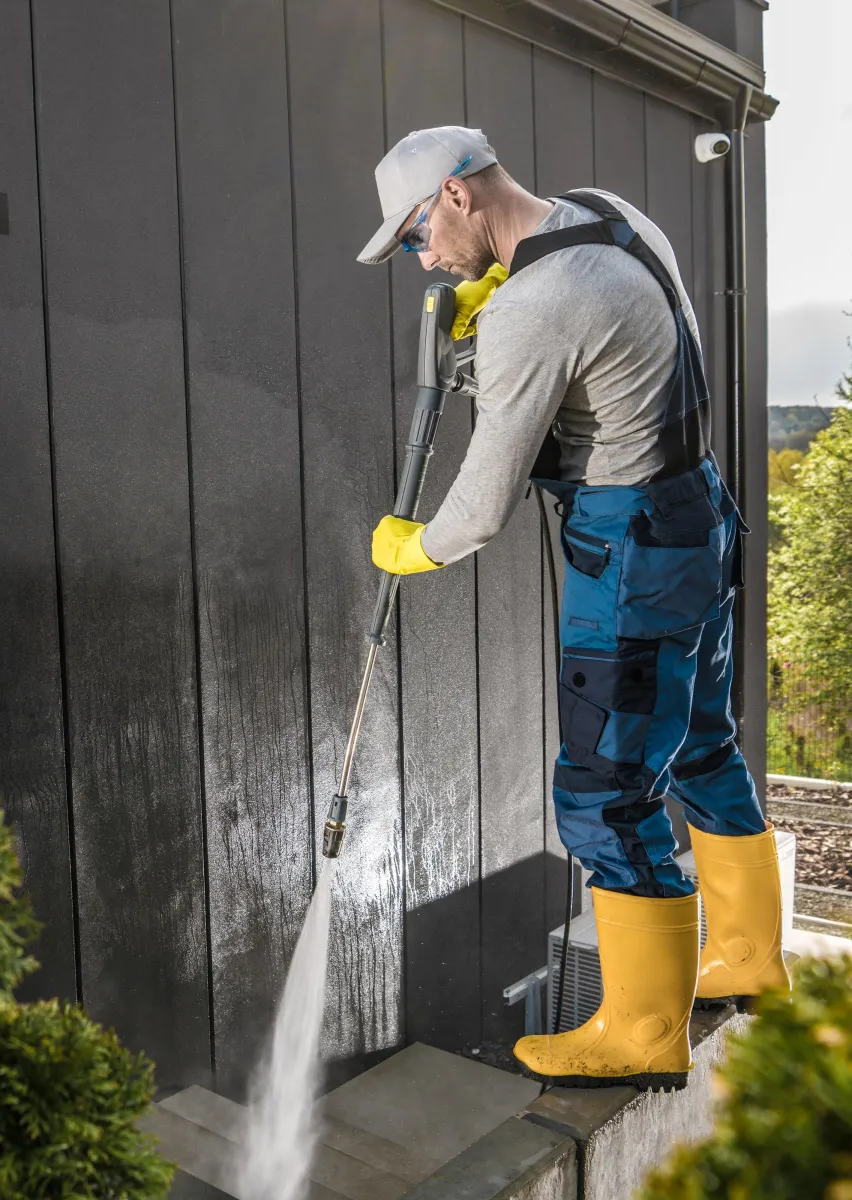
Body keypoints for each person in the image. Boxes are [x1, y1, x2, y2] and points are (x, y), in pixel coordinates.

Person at [358, 125, 789, 1092]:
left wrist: (411, 546)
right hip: (699, 514)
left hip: (633, 551)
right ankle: (749, 956)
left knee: (605, 790)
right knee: (704, 743)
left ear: (459, 194)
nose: (422, 258)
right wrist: (501, 309)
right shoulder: (606, 214)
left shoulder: (533, 307)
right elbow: (610, 338)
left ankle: (644, 1030)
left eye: (418, 232)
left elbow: (482, 507)